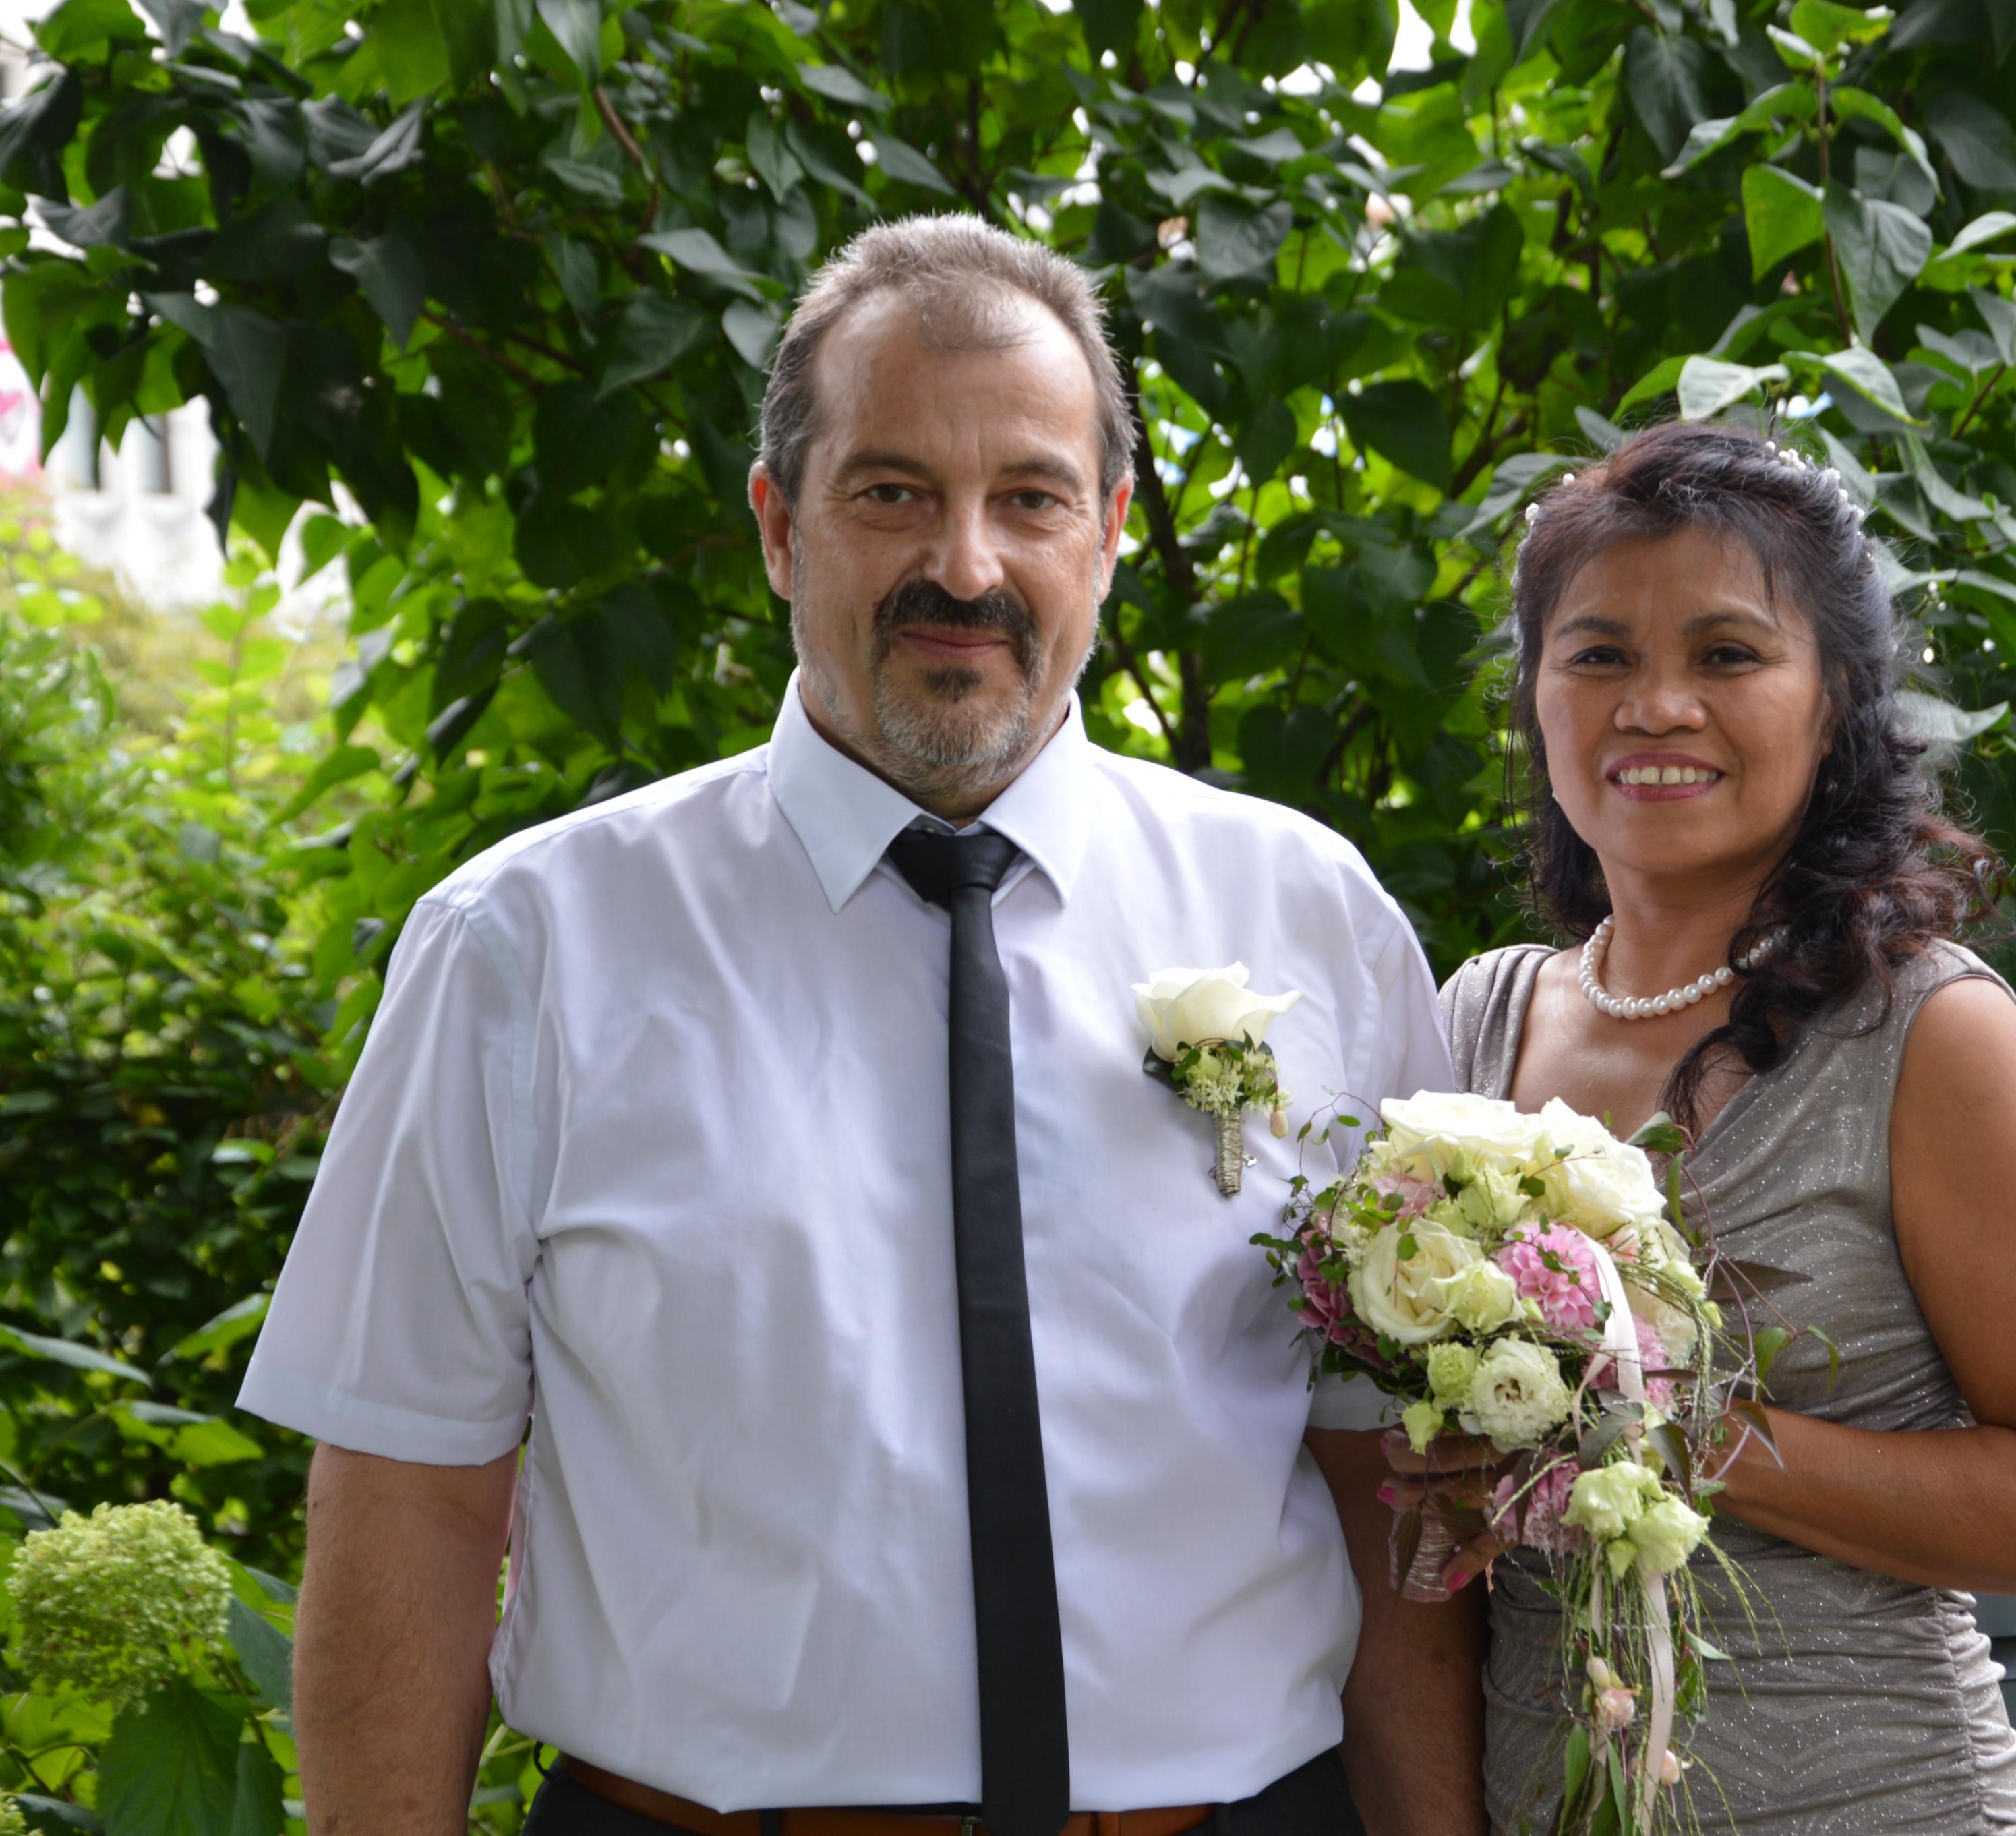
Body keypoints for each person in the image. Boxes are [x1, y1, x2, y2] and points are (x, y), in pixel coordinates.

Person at [235, 215, 1481, 1836]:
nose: (963, 567)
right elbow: (411, 1489)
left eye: (1028, 498)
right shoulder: (525, 947)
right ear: (777, 525)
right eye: (891, 492)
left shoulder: (1312, 920)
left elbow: (1383, 1481)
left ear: (1108, 531)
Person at [1423, 421, 2016, 1835]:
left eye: (1726, 655)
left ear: (1835, 705)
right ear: (1534, 698)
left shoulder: (1929, 1036)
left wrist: (1660, 1430)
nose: (1655, 705)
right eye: (1598, 655)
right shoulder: (1474, 1024)